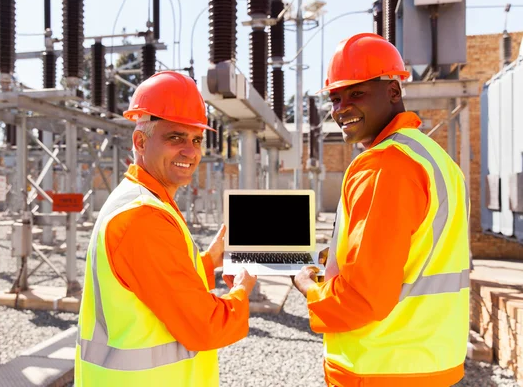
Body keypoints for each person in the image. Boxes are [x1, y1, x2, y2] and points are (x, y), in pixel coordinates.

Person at [292, 33, 471, 387]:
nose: (341, 107)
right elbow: (417, 252)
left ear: (393, 91)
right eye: (336, 97)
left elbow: (363, 299)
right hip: (431, 360)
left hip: (381, 367)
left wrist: (309, 289)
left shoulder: (383, 165)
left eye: (356, 93)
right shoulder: (433, 157)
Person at [75, 71, 257, 386]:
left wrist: (210, 259)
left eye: (196, 139)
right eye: (175, 137)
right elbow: (206, 326)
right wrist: (241, 290)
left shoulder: (141, 200)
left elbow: (158, 279)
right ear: (140, 141)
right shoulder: (142, 217)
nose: (191, 151)